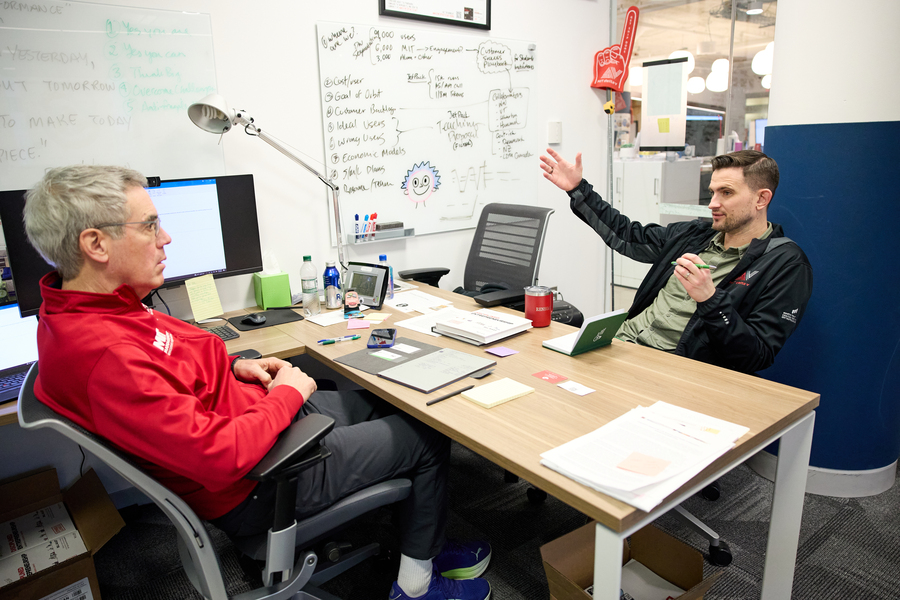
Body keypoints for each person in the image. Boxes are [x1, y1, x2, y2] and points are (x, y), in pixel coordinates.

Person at [24, 165, 491, 600]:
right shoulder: (105, 354)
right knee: (428, 435)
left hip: (261, 419)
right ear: (95, 244)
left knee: (398, 404)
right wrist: (288, 393)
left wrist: (232, 369)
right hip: (263, 476)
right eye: (148, 225)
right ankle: (417, 585)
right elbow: (220, 455)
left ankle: (421, 541)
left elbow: (169, 369)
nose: (165, 238)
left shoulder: (88, 306)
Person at [539, 148, 812, 374]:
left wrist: (709, 299)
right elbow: (627, 235)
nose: (712, 203)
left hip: (671, 369)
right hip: (621, 344)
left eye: (726, 193)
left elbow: (755, 356)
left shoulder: (784, 263)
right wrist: (578, 189)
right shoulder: (694, 234)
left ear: (761, 198)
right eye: (713, 191)